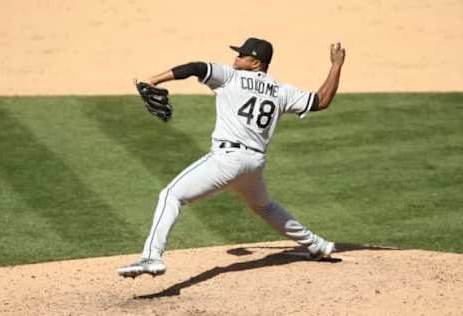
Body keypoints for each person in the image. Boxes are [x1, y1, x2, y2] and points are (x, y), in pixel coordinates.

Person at [118, 37, 346, 278]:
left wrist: (153, 80)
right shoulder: (282, 91)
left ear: (256, 62)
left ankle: (151, 256)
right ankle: (318, 245)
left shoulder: (230, 76)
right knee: (265, 207)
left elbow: (196, 67)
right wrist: (336, 66)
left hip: (228, 159)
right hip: (253, 165)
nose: (235, 58)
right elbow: (322, 100)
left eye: (241, 55)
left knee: (171, 195)